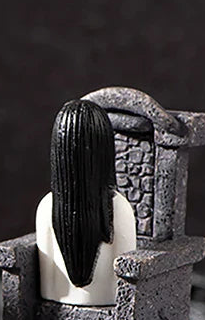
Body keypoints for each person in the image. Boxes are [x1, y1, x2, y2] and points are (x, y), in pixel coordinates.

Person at [36, 99, 137, 306]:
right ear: (105, 151)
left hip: (56, 302)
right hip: (110, 303)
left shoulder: (46, 206)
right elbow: (125, 276)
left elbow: (46, 279)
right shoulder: (118, 207)